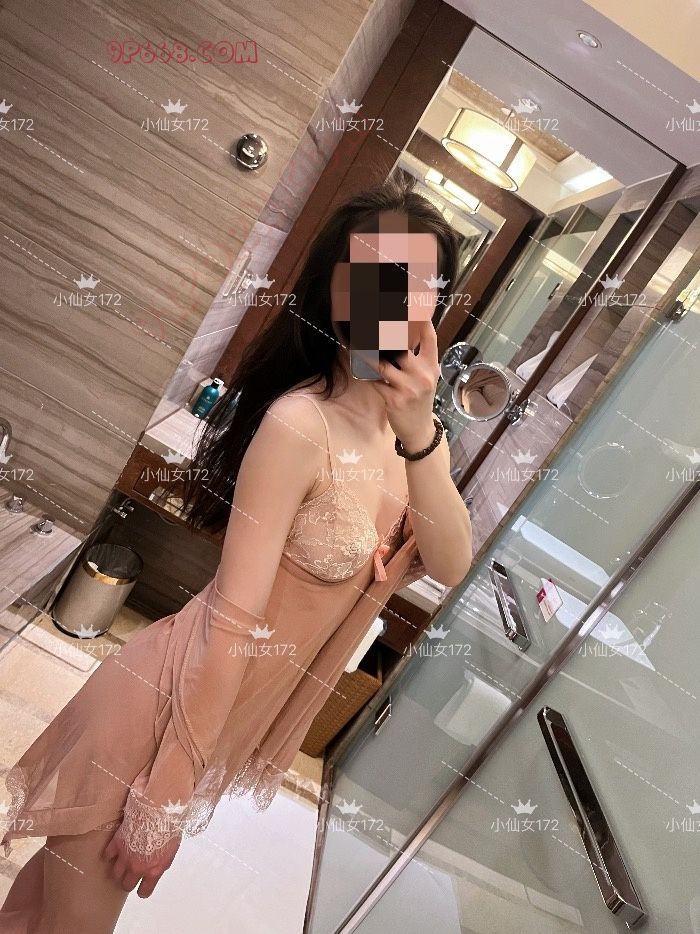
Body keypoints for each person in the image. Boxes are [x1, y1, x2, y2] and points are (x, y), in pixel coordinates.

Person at [0, 177, 472, 932]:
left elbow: (450, 562)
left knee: (32, 915)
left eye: (421, 280)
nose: (400, 298)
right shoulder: (301, 424)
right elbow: (232, 619)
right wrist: (162, 802)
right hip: (154, 716)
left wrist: (421, 430)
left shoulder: (411, 438)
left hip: (205, 723)